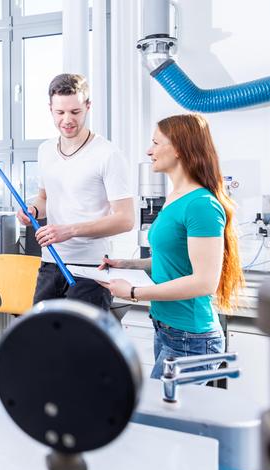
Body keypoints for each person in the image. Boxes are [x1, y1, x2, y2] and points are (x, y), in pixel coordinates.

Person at [98, 114, 244, 378]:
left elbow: (203, 282)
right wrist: (126, 264)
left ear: (178, 148)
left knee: (157, 417)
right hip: (167, 330)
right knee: (162, 416)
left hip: (191, 338)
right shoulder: (175, 198)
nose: (148, 150)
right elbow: (174, 261)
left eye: (155, 143)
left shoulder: (201, 204)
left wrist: (133, 291)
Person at [18, 73, 134, 310]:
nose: (67, 120)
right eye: (60, 113)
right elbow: (44, 197)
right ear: (50, 109)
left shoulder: (108, 154)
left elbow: (126, 219)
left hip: (91, 269)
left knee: (83, 345)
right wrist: (32, 211)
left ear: (88, 106)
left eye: (75, 112)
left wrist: (70, 230)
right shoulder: (45, 150)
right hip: (51, 263)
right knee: (43, 341)